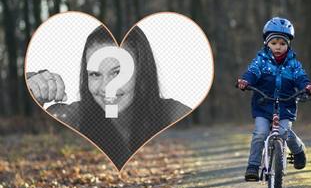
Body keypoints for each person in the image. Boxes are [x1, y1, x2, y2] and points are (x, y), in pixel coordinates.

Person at [27, 25, 191, 170]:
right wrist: (31, 86)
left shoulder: (173, 114)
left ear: (142, 72)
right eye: (95, 74)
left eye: (118, 72)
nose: (106, 87)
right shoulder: (73, 118)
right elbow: (35, 150)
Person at [237, 17, 311, 181]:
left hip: (285, 104)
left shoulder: (293, 64)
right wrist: (246, 81)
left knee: (283, 132)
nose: (278, 47)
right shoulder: (261, 60)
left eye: (282, 43)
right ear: (267, 43)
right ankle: (253, 166)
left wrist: (308, 86)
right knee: (260, 133)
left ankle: (298, 150)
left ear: (288, 45)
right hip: (263, 104)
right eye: (274, 43)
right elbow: (252, 72)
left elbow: (301, 77)